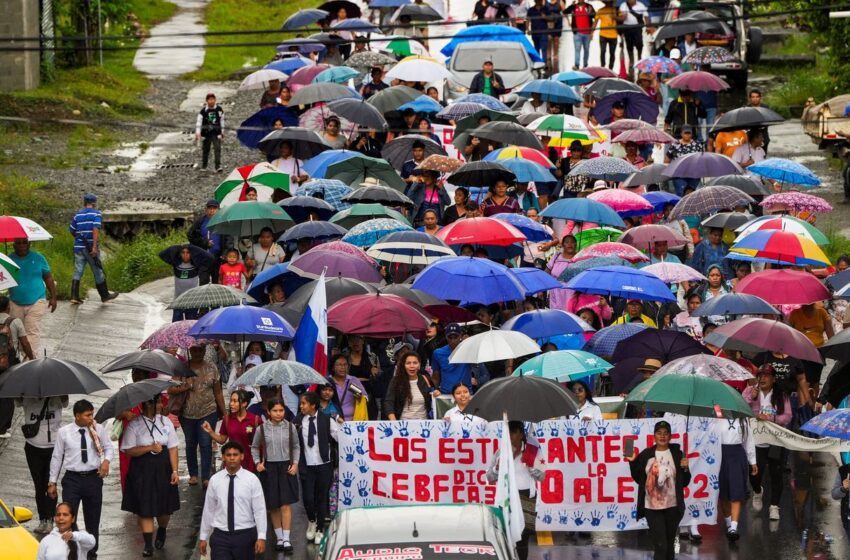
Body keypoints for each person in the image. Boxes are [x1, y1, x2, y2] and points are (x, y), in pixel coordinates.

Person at [48, 399, 114, 560]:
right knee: (69, 517)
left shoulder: (97, 429)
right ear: (77, 416)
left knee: (93, 518)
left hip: (93, 478)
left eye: (92, 414)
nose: (91, 418)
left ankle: (91, 553)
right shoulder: (64, 432)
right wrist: (52, 482)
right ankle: (74, 549)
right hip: (72, 479)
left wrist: (106, 461)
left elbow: (108, 447)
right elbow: (57, 457)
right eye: (87, 415)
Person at [120, 396, 180, 557]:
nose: (158, 406)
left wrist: (175, 470)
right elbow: (128, 449)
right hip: (142, 468)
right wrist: (149, 448)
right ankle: (148, 545)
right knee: (145, 508)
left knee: (164, 509)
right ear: (145, 405)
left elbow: (173, 448)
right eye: (154, 403)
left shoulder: (166, 422)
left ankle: (161, 529)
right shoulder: (135, 424)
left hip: (163, 467)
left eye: (159, 402)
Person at [627, 420, 691, 560]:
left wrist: (685, 468)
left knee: (669, 546)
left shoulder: (678, 454)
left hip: (673, 508)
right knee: (661, 545)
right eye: (659, 433)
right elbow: (639, 478)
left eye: (665, 433)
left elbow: (685, 482)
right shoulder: (646, 455)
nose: (662, 436)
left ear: (670, 436)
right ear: (654, 436)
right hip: (652, 508)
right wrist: (632, 462)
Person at [485, 421, 545, 560]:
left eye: (513, 432)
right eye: (508, 432)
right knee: (505, 534)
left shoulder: (531, 451)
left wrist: (531, 466)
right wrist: (497, 468)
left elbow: (542, 476)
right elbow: (489, 477)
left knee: (523, 537)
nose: (510, 435)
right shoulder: (501, 452)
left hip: (525, 497)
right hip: (506, 498)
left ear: (521, 434)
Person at [169, 343, 225, 488]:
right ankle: (194, 474)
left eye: (201, 350)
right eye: (195, 350)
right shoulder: (182, 368)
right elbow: (170, 389)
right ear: (190, 350)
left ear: (205, 350)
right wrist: (185, 386)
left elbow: (218, 392)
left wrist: (225, 413)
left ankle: (205, 476)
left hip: (208, 411)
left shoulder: (212, 367)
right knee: (191, 443)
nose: (198, 352)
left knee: (206, 443)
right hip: (187, 414)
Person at [198, 442, 267, 559]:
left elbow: (259, 510)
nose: (232, 458)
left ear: (242, 456)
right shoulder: (215, 480)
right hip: (221, 537)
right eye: (228, 455)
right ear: (223, 457)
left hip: (245, 535)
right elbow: (209, 509)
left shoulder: (252, 480)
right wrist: (203, 537)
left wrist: (261, 536)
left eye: (235, 454)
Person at [251, 398, 299, 553]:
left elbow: (296, 446)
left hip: (286, 467)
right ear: (269, 412)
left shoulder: (290, 427)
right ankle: (278, 537)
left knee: (285, 503)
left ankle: (286, 539)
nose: (278, 414)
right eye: (275, 411)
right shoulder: (262, 429)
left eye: (281, 410)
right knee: (273, 505)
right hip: (269, 468)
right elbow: (254, 447)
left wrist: (295, 463)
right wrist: (258, 462)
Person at [743, 365, 791, 521]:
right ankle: (757, 492)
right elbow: (741, 409)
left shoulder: (780, 395)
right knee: (755, 474)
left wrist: (769, 418)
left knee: (776, 474)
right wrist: (751, 398)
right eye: (760, 375)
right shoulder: (750, 391)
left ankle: (774, 506)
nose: (762, 378)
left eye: (766, 375)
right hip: (756, 441)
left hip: (775, 440)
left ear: (773, 379)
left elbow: (787, 417)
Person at [19, 392, 67, 533]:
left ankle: (50, 520)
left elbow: (65, 402)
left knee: (50, 484)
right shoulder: (25, 395)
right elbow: (17, 401)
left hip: (54, 449)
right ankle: (42, 519)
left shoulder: (59, 394)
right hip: (33, 449)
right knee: (39, 486)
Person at [296, 391, 339, 545]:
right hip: (307, 465)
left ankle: (320, 528)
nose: (301, 406)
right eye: (301, 403)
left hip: (324, 465)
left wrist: (341, 423)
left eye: (304, 403)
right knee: (307, 497)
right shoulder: (298, 421)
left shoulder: (327, 420)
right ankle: (311, 521)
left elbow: (339, 436)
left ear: (313, 405)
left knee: (322, 497)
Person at [7, 237, 57, 357]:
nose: (22, 245)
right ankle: (18, 359)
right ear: (14, 245)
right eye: (18, 243)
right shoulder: (9, 259)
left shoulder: (38, 258)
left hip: (37, 301)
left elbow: (48, 277)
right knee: (16, 333)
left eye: (24, 242)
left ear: (29, 244)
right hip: (15, 302)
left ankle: (31, 361)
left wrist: (53, 297)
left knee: (31, 332)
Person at [69, 193, 118, 305]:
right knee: (97, 271)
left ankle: (74, 296)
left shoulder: (77, 215)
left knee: (78, 270)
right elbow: (95, 229)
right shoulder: (96, 214)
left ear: (85, 202)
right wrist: (94, 247)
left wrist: (79, 240)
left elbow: (72, 230)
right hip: (91, 248)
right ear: (94, 203)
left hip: (78, 248)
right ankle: (105, 295)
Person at [0, 294, 35, 437]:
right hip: (9, 362)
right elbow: (25, 343)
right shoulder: (15, 322)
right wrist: (31, 358)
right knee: (7, 394)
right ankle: (3, 428)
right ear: (8, 307)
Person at [203, 389, 262, 472]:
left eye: (235, 401)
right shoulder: (227, 419)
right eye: (231, 401)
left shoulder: (255, 420)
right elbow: (222, 440)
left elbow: (262, 443)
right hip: (233, 462)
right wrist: (210, 431)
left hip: (250, 463)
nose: (231, 404)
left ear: (244, 404)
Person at [385, 351, 438, 420]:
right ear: (403, 365)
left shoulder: (425, 379)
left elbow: (433, 398)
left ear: (419, 365)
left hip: (424, 425)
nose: (412, 366)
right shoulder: (396, 381)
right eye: (408, 363)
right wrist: (394, 422)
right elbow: (389, 402)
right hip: (403, 425)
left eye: (415, 363)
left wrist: (436, 394)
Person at [431, 323, 475, 394]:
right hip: (446, 395)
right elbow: (436, 376)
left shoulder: (468, 350)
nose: (453, 340)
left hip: (465, 394)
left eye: (455, 337)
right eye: (450, 337)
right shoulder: (438, 353)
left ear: (460, 336)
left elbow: (477, 366)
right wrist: (435, 390)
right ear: (446, 337)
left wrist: (469, 344)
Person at [329, 354, 368, 421]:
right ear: (333, 367)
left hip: (352, 421)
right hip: (332, 420)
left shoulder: (353, 380)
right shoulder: (328, 381)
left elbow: (366, 398)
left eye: (345, 364)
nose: (343, 367)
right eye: (339, 365)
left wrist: (359, 395)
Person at [195, 93, 224, 172]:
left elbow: (222, 121)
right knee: (205, 149)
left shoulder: (219, 109)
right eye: (209, 99)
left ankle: (217, 166)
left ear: (215, 100)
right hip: (206, 133)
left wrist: (222, 131)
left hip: (216, 132)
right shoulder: (203, 111)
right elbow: (199, 122)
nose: (211, 101)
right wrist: (198, 133)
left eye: (212, 99)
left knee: (217, 149)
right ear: (207, 101)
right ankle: (204, 165)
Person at [617, 0, 648, 74]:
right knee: (629, 45)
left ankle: (639, 59)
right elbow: (621, 18)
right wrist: (621, 17)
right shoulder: (623, 5)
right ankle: (631, 61)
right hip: (627, 28)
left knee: (639, 44)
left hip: (637, 28)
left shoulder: (641, 5)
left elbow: (646, 16)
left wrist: (648, 26)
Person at [564, 0, 596, 70]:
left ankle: (585, 66)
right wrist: (571, 5)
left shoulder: (589, 6)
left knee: (586, 49)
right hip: (577, 33)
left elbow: (595, 17)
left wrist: (590, 13)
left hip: (587, 33)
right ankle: (577, 65)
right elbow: (564, 12)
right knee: (577, 49)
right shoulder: (573, 7)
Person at [594, 0, 619, 69]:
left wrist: (615, 17)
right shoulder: (600, 10)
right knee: (602, 51)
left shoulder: (616, 10)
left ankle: (611, 68)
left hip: (613, 35)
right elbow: (595, 22)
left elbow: (621, 20)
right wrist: (592, 32)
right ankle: (603, 66)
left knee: (612, 53)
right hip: (603, 35)